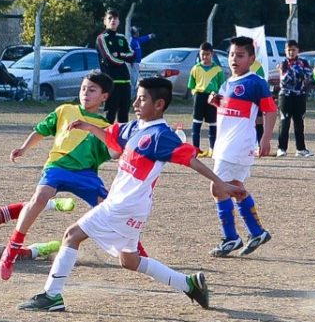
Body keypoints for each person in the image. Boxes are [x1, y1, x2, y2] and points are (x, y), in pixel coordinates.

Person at [17, 77, 246, 312]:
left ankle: (52, 295)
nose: (136, 103)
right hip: (133, 206)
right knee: (129, 260)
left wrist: (220, 183)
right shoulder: (136, 127)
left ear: (158, 105)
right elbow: (112, 137)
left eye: (142, 98)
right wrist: (88, 127)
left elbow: (192, 160)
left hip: (123, 205)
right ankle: (188, 284)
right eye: (136, 97)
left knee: (72, 235)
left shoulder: (160, 135)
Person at [0, 72, 153, 280]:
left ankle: (134, 249)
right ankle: (12, 248)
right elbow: (42, 130)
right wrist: (24, 147)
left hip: (85, 174)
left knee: (112, 208)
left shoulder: (105, 127)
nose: (85, 93)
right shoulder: (66, 110)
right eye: (83, 89)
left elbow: (114, 152)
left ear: (104, 97)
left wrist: (132, 147)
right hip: (57, 166)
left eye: (92, 90)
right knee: (39, 198)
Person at [206, 36, 275, 258]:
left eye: (240, 55)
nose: (234, 59)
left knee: (217, 187)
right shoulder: (227, 83)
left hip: (238, 145)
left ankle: (231, 238)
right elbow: (232, 109)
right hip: (225, 145)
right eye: (231, 54)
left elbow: (271, 111)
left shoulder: (255, 82)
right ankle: (257, 232)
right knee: (234, 185)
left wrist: (265, 139)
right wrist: (217, 102)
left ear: (251, 59)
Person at [95, 9, 135, 123]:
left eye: (115, 18)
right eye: (110, 18)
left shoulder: (121, 38)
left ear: (119, 21)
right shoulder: (102, 38)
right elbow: (108, 59)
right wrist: (123, 59)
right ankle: (106, 140)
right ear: (105, 21)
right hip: (111, 82)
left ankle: (122, 140)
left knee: (124, 115)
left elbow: (132, 56)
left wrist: (119, 54)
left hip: (125, 81)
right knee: (110, 115)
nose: (113, 20)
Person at [276, 40, 314, 157]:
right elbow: (285, 79)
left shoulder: (303, 62)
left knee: (299, 121)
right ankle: (281, 148)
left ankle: (301, 148)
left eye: (293, 50)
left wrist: (297, 73)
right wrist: (296, 74)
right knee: (284, 121)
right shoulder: (283, 64)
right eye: (289, 50)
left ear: (298, 50)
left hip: (299, 95)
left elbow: (308, 75)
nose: (291, 52)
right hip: (285, 96)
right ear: (285, 51)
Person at [187, 42, 225, 158]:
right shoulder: (195, 68)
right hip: (199, 96)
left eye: (207, 54)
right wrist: (196, 93)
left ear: (212, 54)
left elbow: (222, 86)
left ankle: (212, 148)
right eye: (202, 54)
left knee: (213, 123)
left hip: (212, 98)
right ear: (199, 54)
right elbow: (191, 85)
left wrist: (217, 96)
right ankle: (196, 149)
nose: (205, 57)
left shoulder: (218, 70)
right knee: (197, 123)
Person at [128, 26, 156, 93]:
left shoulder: (137, 40)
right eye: (137, 31)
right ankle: (130, 96)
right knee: (133, 80)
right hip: (132, 64)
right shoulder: (131, 40)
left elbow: (144, 38)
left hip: (136, 64)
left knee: (135, 81)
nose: (138, 32)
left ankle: (132, 96)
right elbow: (128, 52)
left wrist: (150, 36)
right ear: (134, 32)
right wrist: (130, 62)